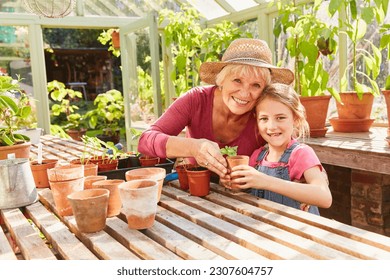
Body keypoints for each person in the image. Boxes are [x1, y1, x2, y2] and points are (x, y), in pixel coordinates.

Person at [137, 38, 294, 178]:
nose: (245, 93)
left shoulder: (263, 114)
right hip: (196, 191)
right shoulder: (196, 100)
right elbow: (145, 141)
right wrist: (193, 147)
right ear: (222, 80)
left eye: (256, 85)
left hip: (244, 197)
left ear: (264, 89)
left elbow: (290, 151)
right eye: (237, 80)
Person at [224, 83, 332, 215]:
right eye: (264, 119)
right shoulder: (257, 156)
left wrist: (265, 181)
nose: (272, 126)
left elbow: (324, 197)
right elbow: (247, 191)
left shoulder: (301, 153)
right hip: (267, 229)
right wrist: (230, 181)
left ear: (296, 119)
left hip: (297, 232)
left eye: (280, 118)